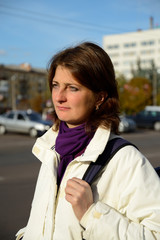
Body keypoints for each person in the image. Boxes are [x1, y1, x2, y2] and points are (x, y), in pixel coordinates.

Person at [16, 42, 160, 240]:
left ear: (99, 97)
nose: (58, 97)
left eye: (72, 88)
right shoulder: (51, 149)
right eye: (56, 85)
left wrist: (91, 214)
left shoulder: (126, 160)